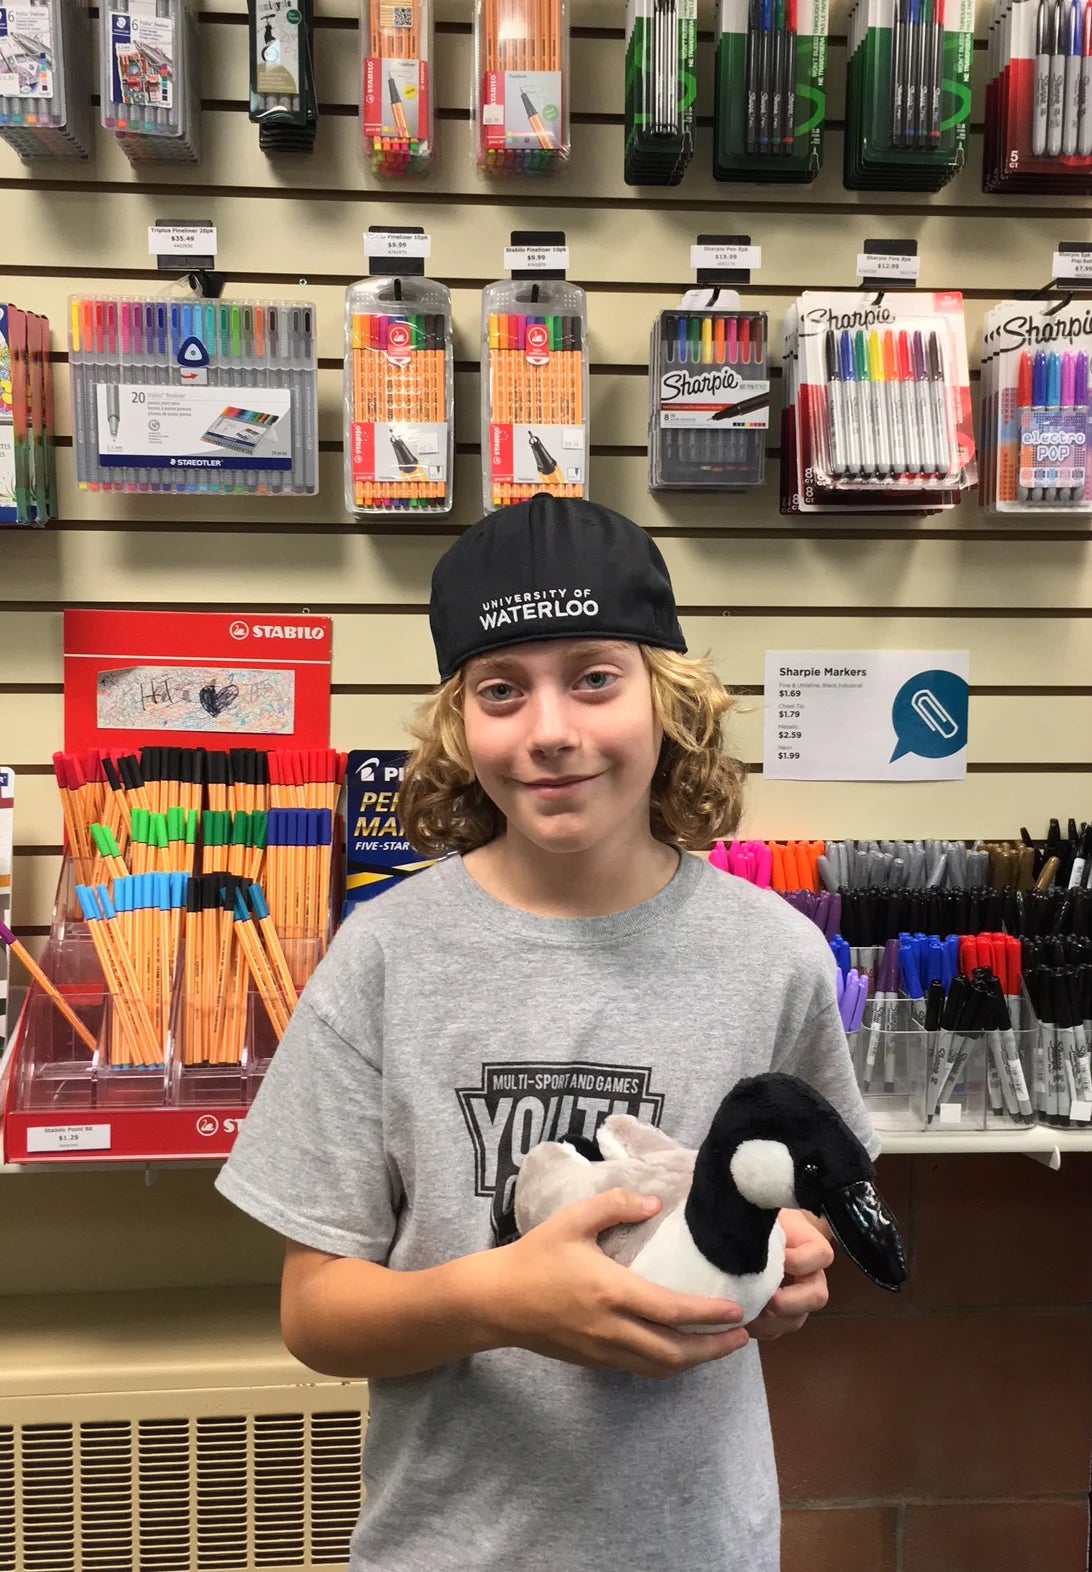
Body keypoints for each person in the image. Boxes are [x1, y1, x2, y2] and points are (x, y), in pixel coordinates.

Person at [215, 494, 879, 1572]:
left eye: (595, 678)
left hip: (698, 1546)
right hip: (450, 1547)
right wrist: (499, 1300)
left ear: (669, 699)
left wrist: (795, 1266)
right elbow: (317, 1314)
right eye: (501, 690)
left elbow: (810, 1220)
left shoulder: (777, 960)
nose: (552, 729)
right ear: (456, 723)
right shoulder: (385, 958)